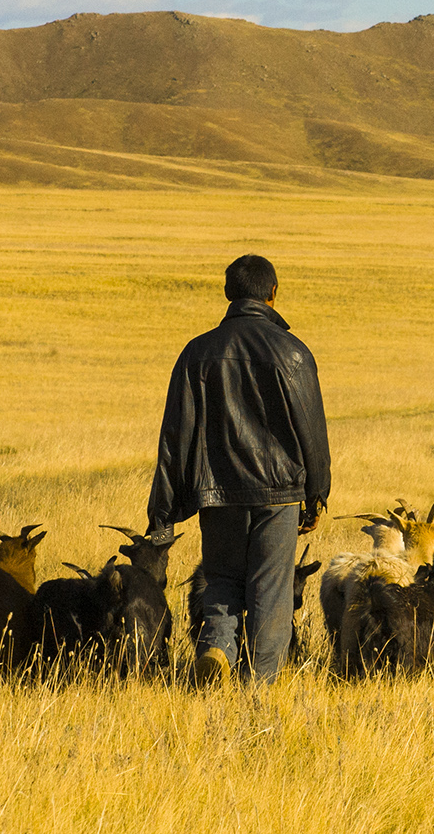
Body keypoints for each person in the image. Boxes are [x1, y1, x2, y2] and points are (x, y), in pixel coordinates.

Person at [146, 253, 330, 685]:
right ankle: (259, 688)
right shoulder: (293, 353)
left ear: (228, 293)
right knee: (271, 589)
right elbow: (312, 432)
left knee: (223, 578)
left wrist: (163, 512)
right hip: (280, 493)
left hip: (218, 493)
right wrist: (316, 492)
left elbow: (175, 436)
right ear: (273, 294)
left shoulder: (198, 352)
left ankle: (216, 647)